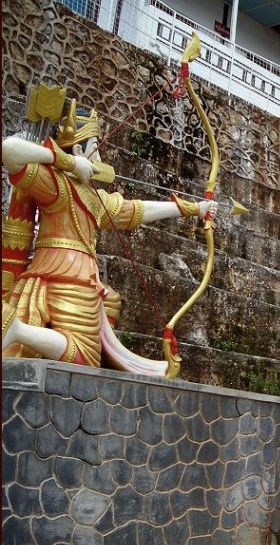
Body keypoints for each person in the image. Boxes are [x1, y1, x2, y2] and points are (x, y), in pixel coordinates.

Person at [2, 100, 218, 372]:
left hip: (81, 278)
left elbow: (138, 210)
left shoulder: (95, 198)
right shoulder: (56, 185)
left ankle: (22, 333)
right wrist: (69, 162)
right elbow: (9, 149)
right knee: (83, 355)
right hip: (62, 275)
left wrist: (194, 208)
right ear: (79, 149)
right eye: (95, 148)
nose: (100, 158)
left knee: (109, 304)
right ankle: (17, 330)